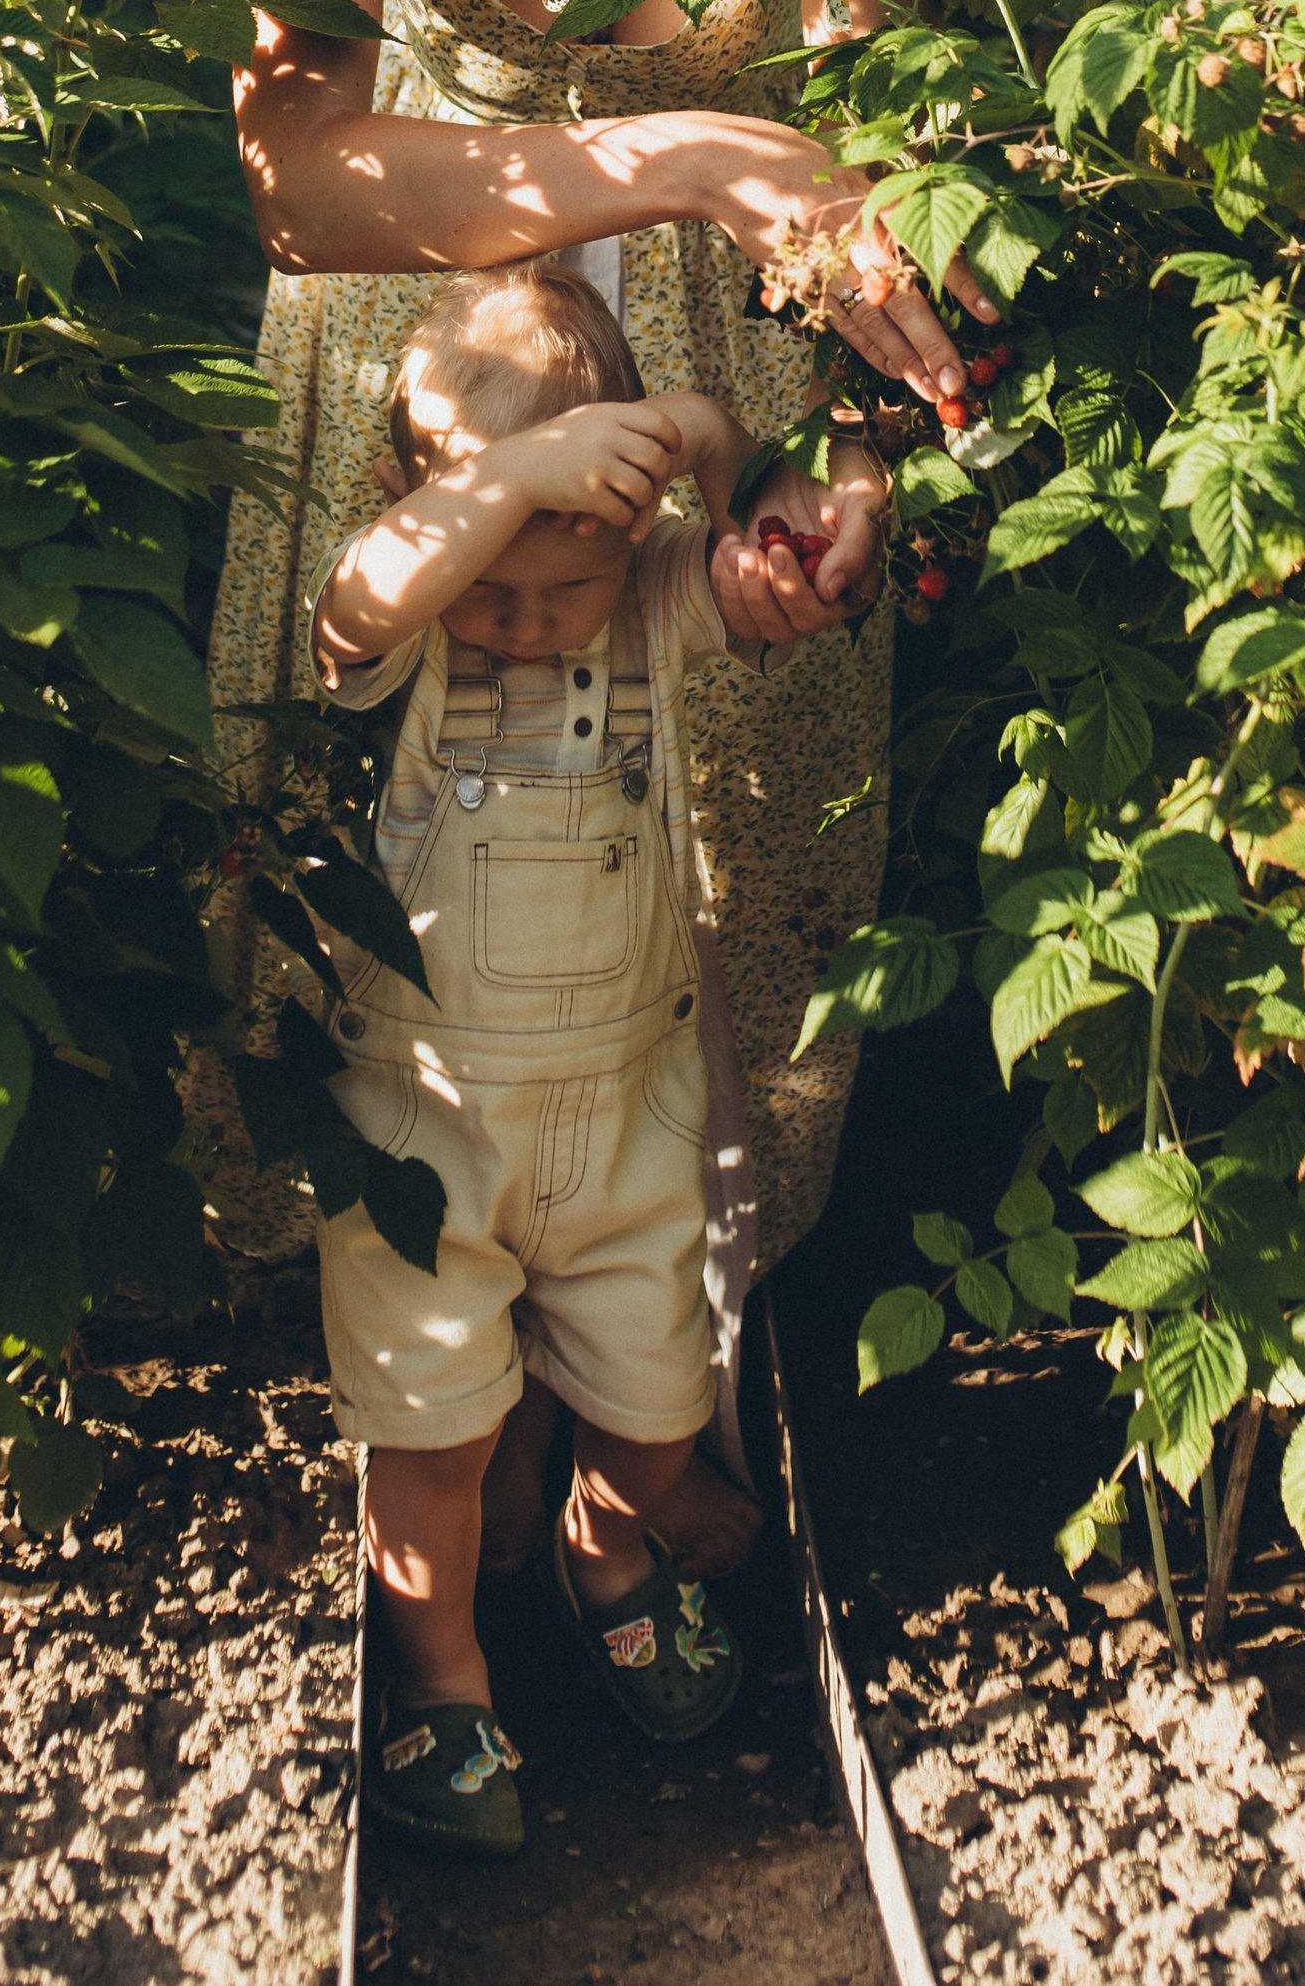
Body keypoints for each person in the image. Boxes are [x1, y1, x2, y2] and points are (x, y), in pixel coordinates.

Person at [205, 0, 993, 1563]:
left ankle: (648, 1422)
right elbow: (308, 182)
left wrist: (850, 483)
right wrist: (682, 154)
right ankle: (472, 1446)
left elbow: (899, 202)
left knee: (719, 938)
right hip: (423, 455)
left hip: (713, 453)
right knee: (423, 965)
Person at [312, 268, 861, 1859]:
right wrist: (501, 491)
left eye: (568, 584)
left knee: (660, 1403)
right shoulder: (415, 621)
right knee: (428, 1429)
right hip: (426, 1123)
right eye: (502, 583)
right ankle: (444, 1681)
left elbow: (755, 539)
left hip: (627, 1115)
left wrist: (695, 431)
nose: (532, 619)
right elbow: (362, 597)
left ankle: (607, 1538)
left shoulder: (650, 593)